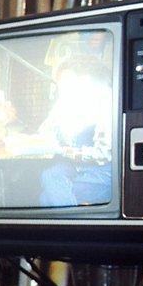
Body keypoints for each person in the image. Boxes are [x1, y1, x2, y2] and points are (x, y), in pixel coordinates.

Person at [37, 56, 113, 206]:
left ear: (85, 77)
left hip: (103, 173)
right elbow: (44, 132)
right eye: (60, 83)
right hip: (78, 166)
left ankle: (73, 224)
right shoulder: (67, 101)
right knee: (48, 175)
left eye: (67, 80)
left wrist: (63, 151)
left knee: (46, 198)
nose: (62, 87)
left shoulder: (105, 99)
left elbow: (102, 155)